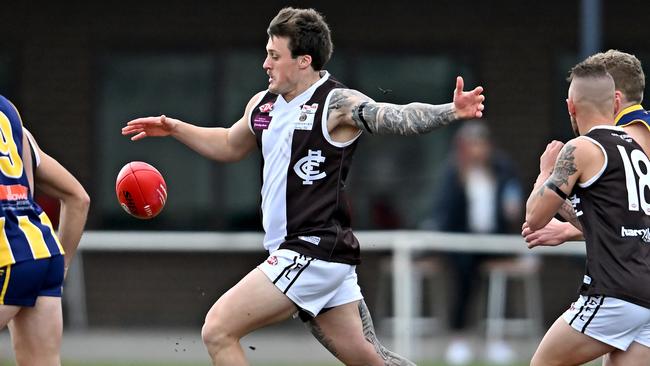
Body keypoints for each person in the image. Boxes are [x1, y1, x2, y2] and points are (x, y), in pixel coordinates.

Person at [122, 7, 485, 366]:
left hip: (310, 251)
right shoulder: (263, 105)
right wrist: (174, 128)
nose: (265, 64)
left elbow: (394, 116)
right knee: (374, 362)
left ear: (303, 60)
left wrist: (450, 111)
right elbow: (230, 144)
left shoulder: (336, 104)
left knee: (217, 330)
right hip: (315, 255)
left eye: (274, 55)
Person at [525, 61, 650, 365]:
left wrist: (544, 172)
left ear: (571, 105)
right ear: (615, 103)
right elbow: (612, 218)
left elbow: (534, 217)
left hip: (613, 293)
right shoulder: (636, 148)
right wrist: (568, 229)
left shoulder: (581, 147)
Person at [523, 49, 649, 246]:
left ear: (613, 97)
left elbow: (635, 229)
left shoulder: (618, 143)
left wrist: (545, 176)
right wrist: (569, 231)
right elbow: (629, 226)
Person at [0, 95, 90, 365]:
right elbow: (78, 198)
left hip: (7, 253)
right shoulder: (9, 112)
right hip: (42, 253)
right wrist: (60, 269)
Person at [426, 120, 522, 365]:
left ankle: (495, 338)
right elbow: (445, 211)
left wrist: (512, 208)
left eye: (480, 143)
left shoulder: (501, 168)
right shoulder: (453, 171)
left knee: (497, 286)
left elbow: (512, 199)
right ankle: (459, 338)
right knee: (464, 283)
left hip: (494, 240)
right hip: (463, 242)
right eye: (471, 144)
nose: (476, 149)